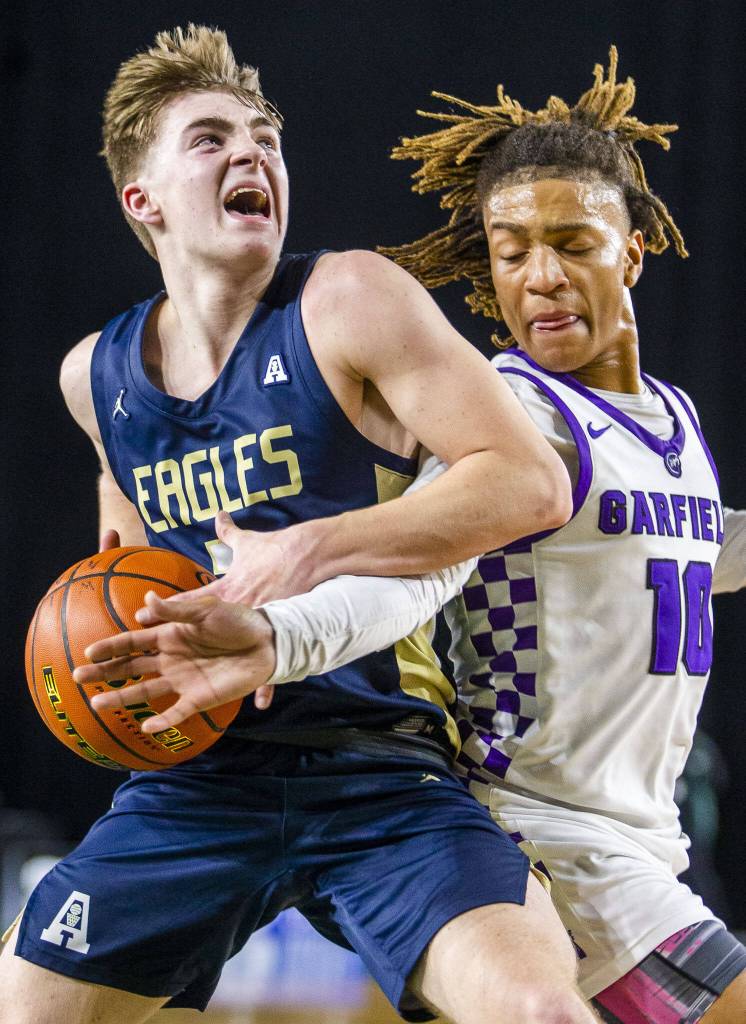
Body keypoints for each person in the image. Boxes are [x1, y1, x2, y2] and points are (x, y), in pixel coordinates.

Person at [83, 48, 746, 1024]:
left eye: (569, 242)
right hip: (536, 835)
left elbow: (687, 551)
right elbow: (409, 582)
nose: (537, 277)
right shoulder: (515, 412)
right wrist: (278, 632)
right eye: (508, 249)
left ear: (634, 248)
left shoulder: (672, 420)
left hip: (633, 837)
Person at [0, 23, 602, 1024]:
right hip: (201, 784)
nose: (253, 153)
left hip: (380, 767)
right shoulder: (92, 381)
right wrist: (105, 673)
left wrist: (311, 547)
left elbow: (527, 485)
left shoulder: (347, 300)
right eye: (210, 138)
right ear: (140, 200)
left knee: (537, 1010)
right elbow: (121, 582)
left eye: (266, 136)